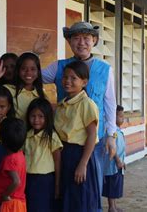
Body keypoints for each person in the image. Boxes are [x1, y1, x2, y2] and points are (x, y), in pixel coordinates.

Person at [35, 22, 117, 209]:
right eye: (76, 38)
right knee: (64, 187)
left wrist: (112, 136)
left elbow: (110, 102)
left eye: (86, 38)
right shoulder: (59, 67)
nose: (81, 43)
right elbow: (32, 77)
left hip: (93, 141)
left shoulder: (105, 69)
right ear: (69, 42)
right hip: (63, 141)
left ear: (94, 41)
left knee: (90, 187)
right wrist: (36, 54)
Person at [54, 61, 101, 212]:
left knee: (80, 200)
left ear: (84, 82)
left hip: (80, 154)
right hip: (64, 154)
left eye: (73, 78)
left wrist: (83, 164)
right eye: (65, 77)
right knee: (66, 198)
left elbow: (92, 134)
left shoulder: (86, 104)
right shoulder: (62, 104)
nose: (67, 81)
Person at [24, 98, 62, 212]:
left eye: (41, 116)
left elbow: (57, 162)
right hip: (28, 179)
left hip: (45, 181)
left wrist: (57, 186)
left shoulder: (52, 137)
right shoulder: (26, 136)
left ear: (48, 117)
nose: (36, 120)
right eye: (33, 116)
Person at [0, 118, 28, 212]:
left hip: (11, 203)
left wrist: (5, 195)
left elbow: (16, 181)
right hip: (18, 202)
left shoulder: (10, 159)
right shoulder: (20, 154)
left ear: (1, 138)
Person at [3, 52, 46, 121]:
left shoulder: (41, 95)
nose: (28, 72)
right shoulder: (7, 90)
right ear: (18, 71)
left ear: (38, 72)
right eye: (24, 69)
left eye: (33, 69)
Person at [103, 105, 126, 212]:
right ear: (113, 116)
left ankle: (114, 205)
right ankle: (111, 206)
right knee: (112, 185)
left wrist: (123, 161)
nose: (123, 118)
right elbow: (113, 148)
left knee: (117, 185)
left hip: (119, 164)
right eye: (120, 116)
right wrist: (117, 160)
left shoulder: (118, 130)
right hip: (113, 164)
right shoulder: (112, 131)